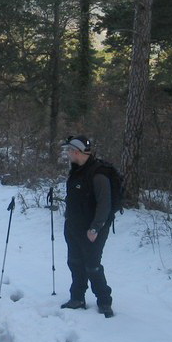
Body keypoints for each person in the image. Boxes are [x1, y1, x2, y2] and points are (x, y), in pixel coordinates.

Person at [60, 135, 115, 318]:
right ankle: (77, 298)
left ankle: (104, 302)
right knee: (75, 262)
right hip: (74, 226)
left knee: (92, 266)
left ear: (77, 152)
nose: (67, 154)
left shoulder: (98, 174)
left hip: (92, 229)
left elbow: (104, 204)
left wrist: (95, 228)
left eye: (69, 150)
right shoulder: (76, 170)